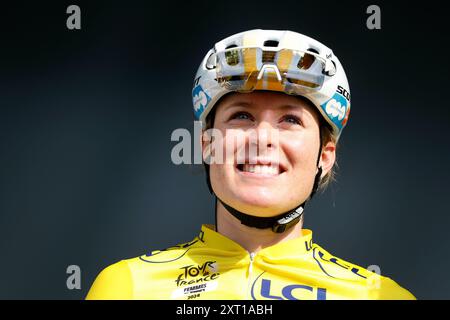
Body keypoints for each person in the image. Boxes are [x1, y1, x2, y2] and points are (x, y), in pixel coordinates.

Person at [86, 29, 415, 300]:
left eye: (289, 119)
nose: (262, 138)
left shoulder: (379, 295)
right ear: (206, 145)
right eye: (242, 115)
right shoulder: (125, 287)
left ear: (325, 156)